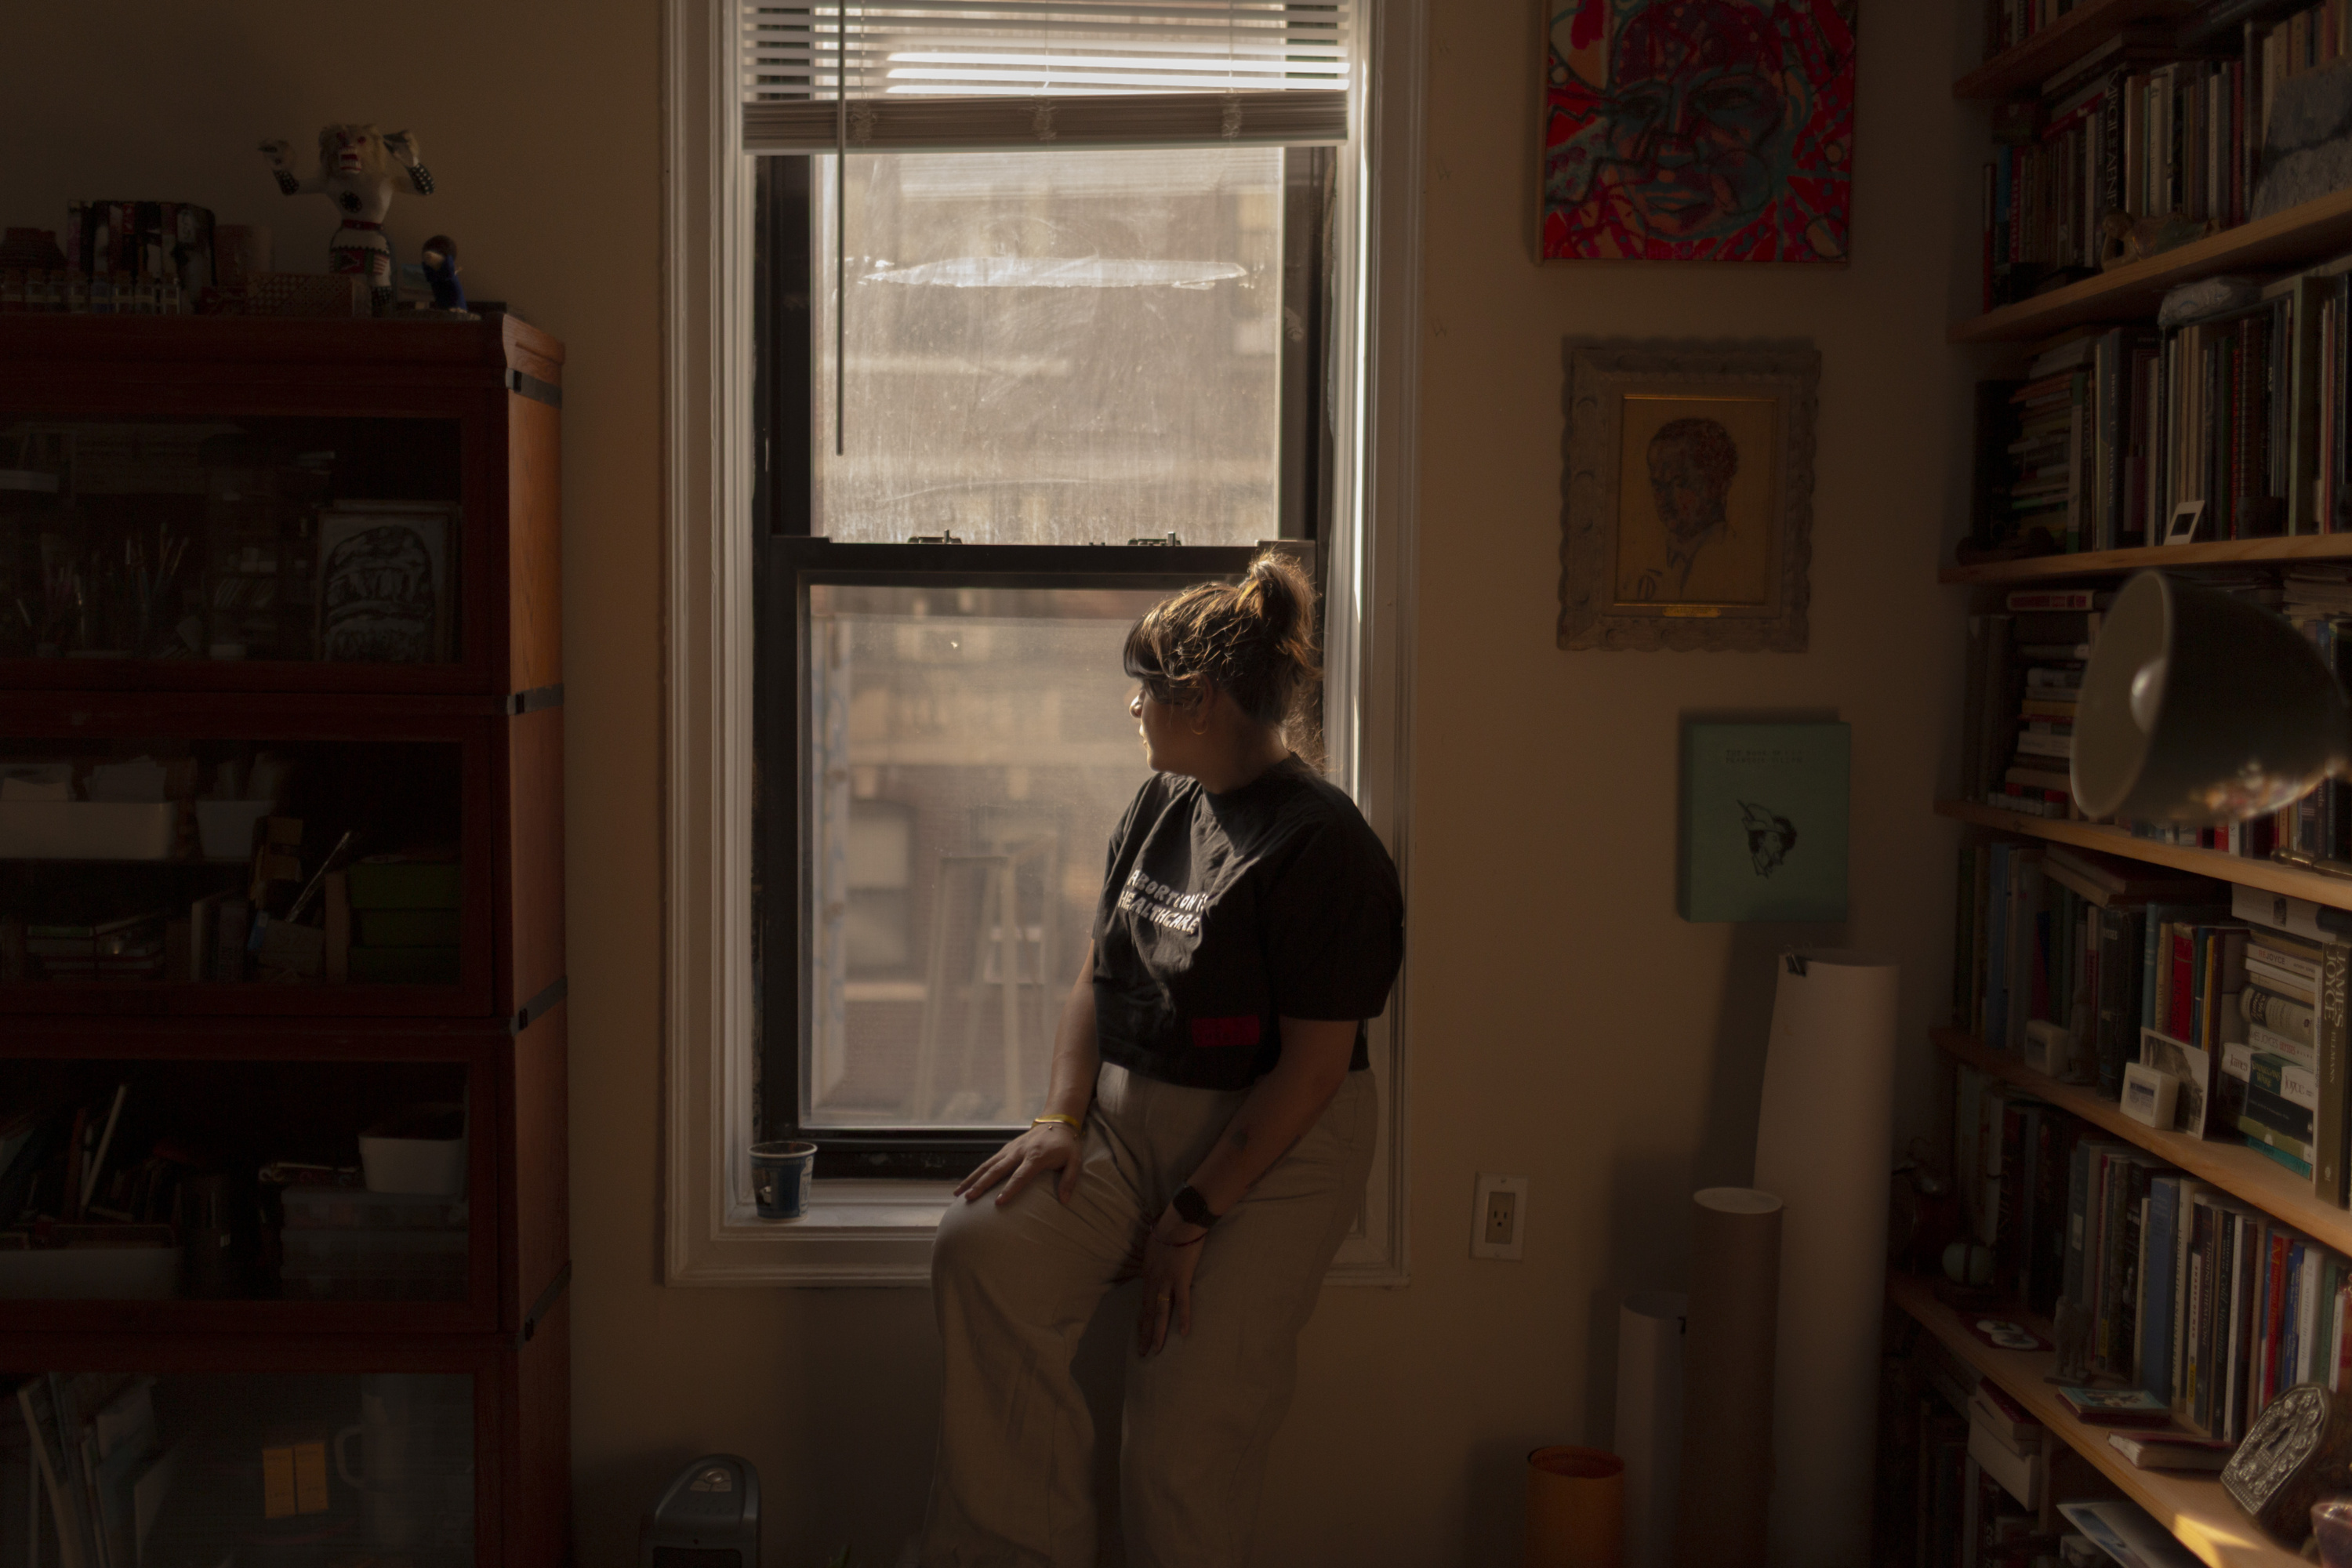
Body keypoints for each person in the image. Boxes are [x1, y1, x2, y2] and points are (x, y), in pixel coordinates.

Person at [921, 551, 1404, 1568]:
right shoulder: (1157, 807)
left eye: (1141, 692)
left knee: (1183, 1436)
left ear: (1198, 696)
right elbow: (1094, 976)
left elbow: (1313, 1075)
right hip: (1128, 1130)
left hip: (1270, 1156)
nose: (1130, 712)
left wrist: (1190, 1221)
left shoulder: (1327, 850)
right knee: (980, 1250)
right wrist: (1059, 1121)